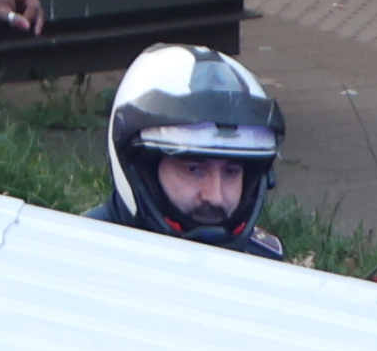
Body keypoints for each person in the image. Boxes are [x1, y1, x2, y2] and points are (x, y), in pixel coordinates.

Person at [96, 45, 290, 254]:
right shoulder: (77, 260)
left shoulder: (263, 264)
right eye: (193, 169)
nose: (214, 196)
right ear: (142, 169)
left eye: (231, 171)